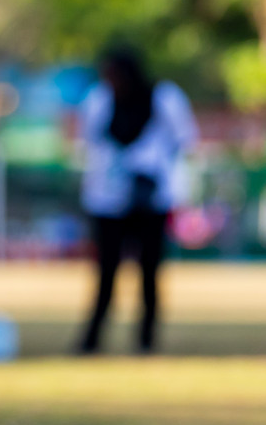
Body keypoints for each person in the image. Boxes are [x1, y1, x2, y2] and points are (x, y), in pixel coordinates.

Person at [76, 47, 197, 354]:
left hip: (151, 200)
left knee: (149, 272)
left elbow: (185, 141)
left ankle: (146, 339)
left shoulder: (164, 98)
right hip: (108, 199)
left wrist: (160, 175)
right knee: (106, 271)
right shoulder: (99, 100)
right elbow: (88, 141)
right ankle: (92, 338)